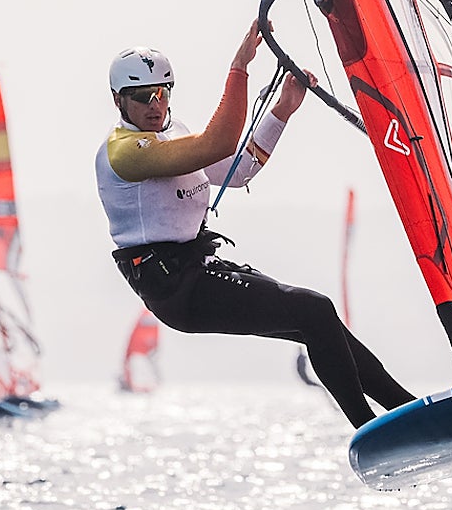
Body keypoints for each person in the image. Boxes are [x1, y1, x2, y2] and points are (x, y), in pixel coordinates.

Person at [95, 21, 414, 428]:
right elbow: (219, 143)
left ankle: (408, 411)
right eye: (141, 97)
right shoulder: (124, 153)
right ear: (119, 101)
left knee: (319, 321)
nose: (154, 105)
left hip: (197, 270)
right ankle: (374, 429)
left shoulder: (172, 134)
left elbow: (238, 169)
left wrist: (281, 110)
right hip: (175, 290)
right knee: (314, 309)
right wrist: (239, 67)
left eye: (162, 93)